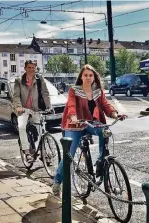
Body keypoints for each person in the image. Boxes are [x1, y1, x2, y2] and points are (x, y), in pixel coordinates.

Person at [52, 64, 121, 195]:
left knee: (105, 131)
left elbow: (105, 105)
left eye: (90, 75)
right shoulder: (74, 90)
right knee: (69, 154)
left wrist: (114, 114)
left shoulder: (98, 91)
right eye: (85, 75)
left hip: (91, 124)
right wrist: (73, 117)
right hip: (75, 125)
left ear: (94, 77)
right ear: (81, 77)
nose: (88, 78)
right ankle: (57, 181)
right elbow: (71, 105)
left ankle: (101, 161)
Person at [12, 60, 51, 161]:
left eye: (33, 67)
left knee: (40, 130)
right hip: (23, 109)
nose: (31, 69)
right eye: (29, 67)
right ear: (25, 68)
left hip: (36, 109)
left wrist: (49, 106)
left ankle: (42, 152)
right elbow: (16, 96)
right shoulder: (19, 80)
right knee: (21, 127)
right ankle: (26, 151)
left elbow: (45, 93)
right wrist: (19, 107)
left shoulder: (39, 79)